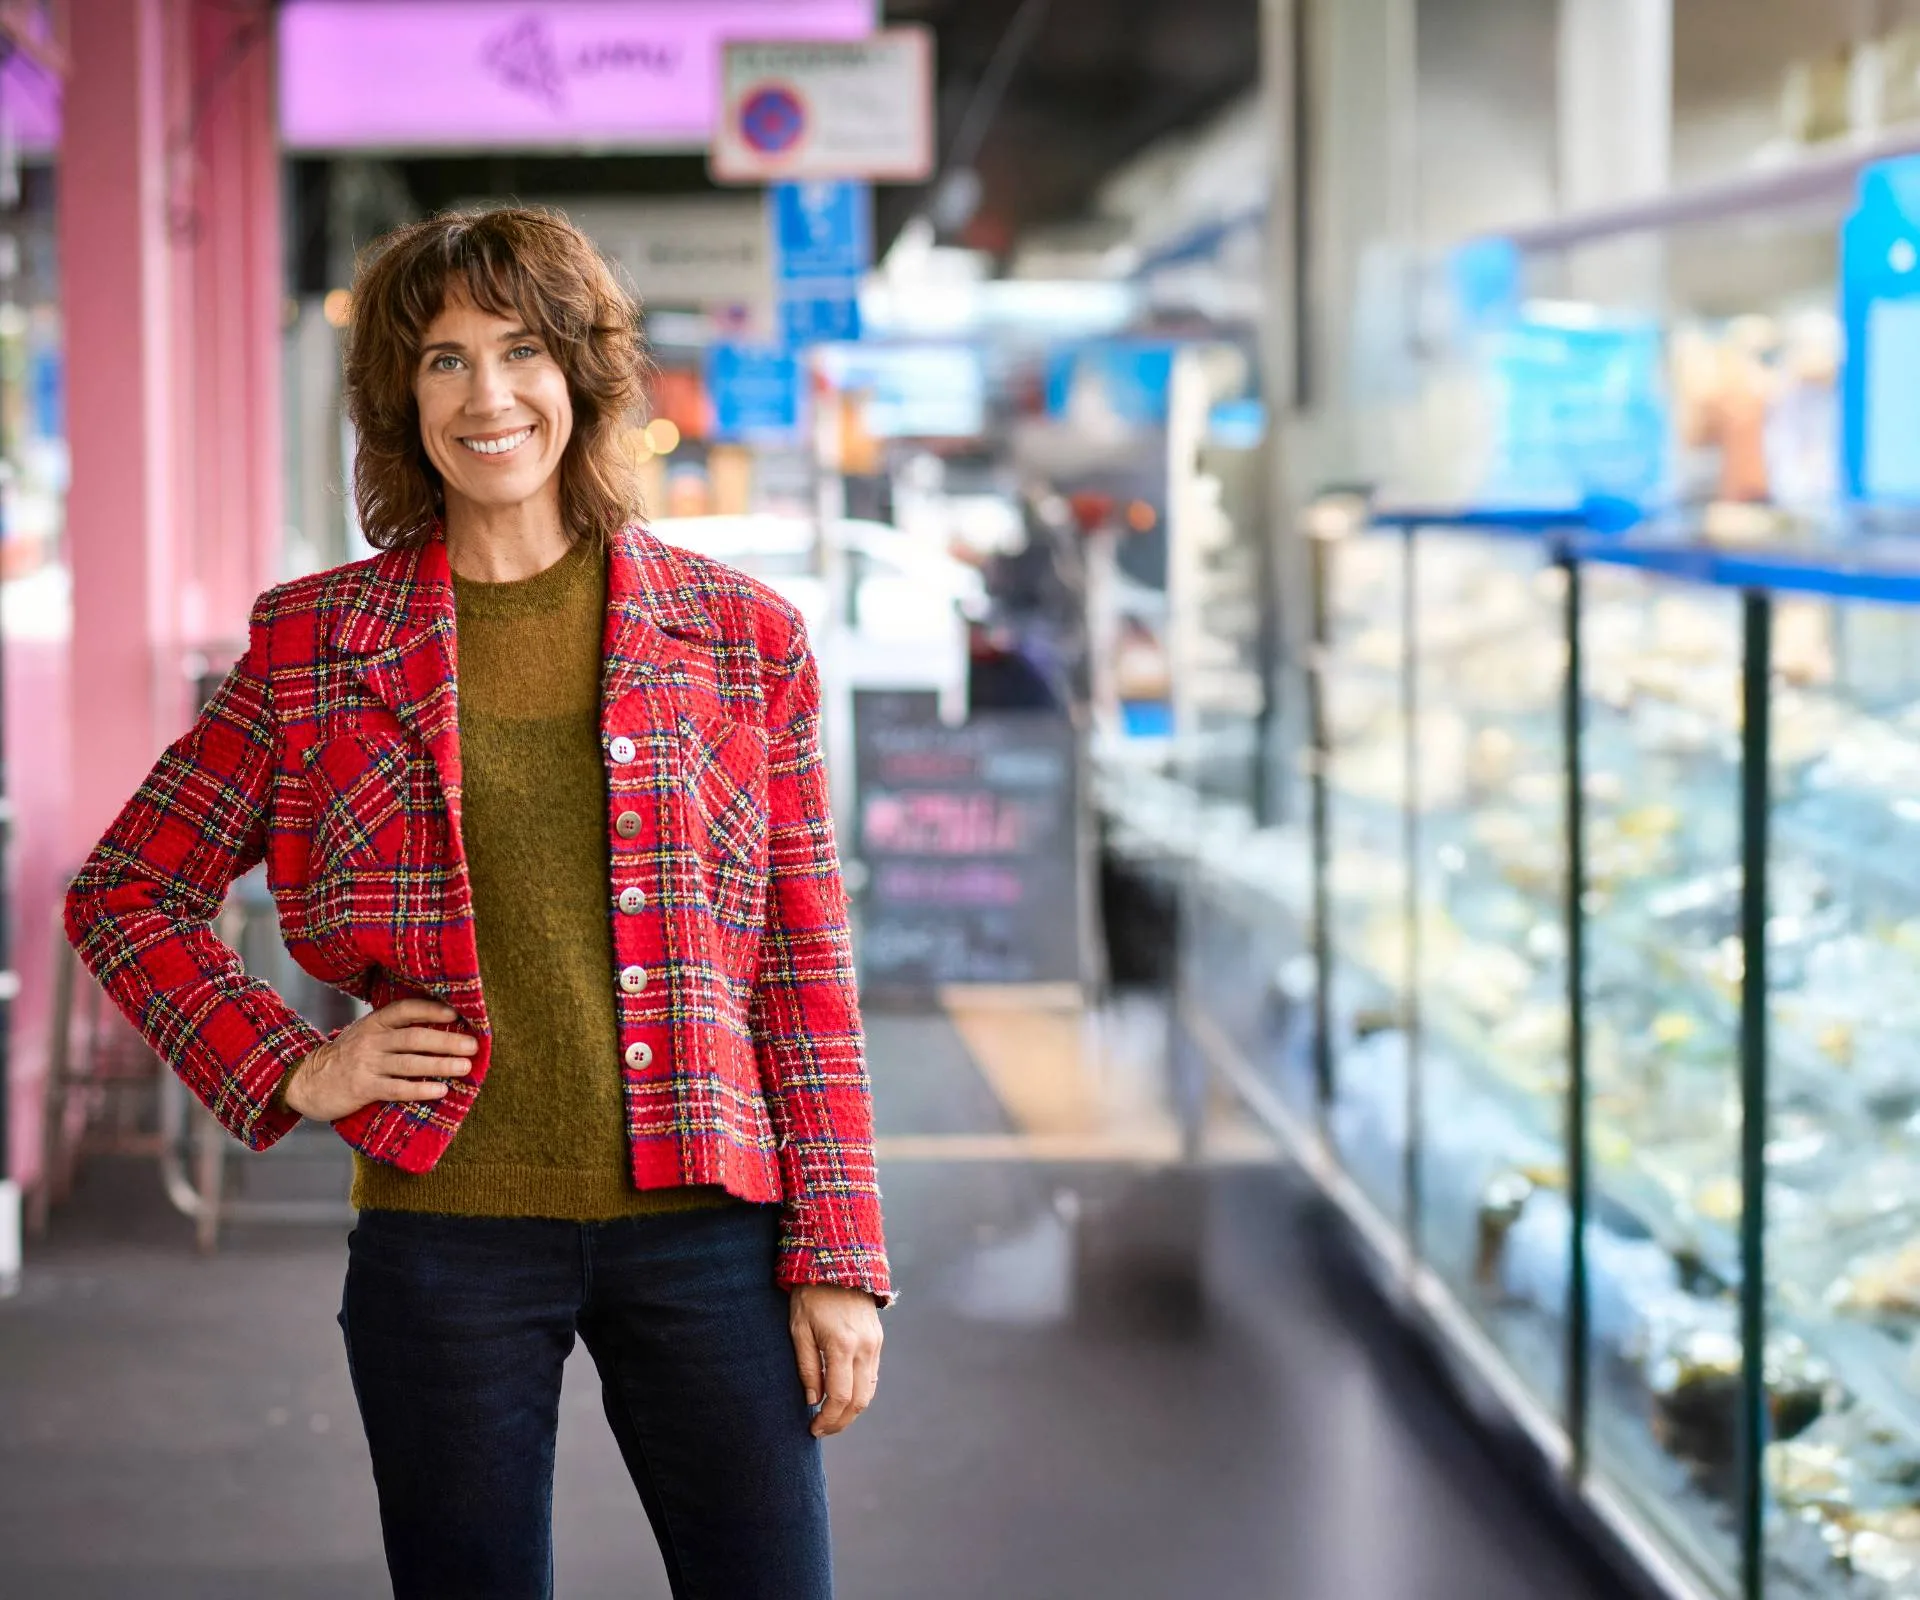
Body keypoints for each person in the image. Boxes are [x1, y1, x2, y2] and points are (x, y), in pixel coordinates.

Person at [64, 207, 890, 1600]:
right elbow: (127, 891)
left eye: (520, 352)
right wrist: (297, 1066)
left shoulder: (738, 637)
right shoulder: (319, 641)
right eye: (443, 361)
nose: (489, 395)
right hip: (447, 1234)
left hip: (711, 1228)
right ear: (403, 398)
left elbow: (801, 966)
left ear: (581, 374)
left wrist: (843, 1254)